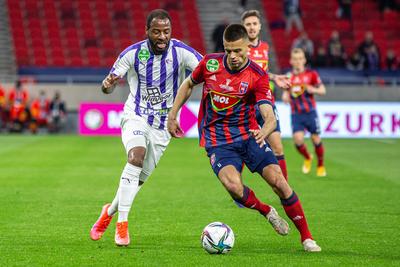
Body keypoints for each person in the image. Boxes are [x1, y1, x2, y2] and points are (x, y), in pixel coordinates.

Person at [168, 24, 321, 252]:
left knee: (279, 182)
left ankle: (307, 238)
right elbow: (189, 83)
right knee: (233, 187)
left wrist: (265, 131)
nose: (233, 56)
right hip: (218, 140)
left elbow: (269, 115)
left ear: (248, 47)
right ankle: (266, 211)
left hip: (250, 136)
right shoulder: (210, 63)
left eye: (237, 51)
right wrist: (173, 113)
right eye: (228, 50)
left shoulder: (257, 76)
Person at [89, 9, 202, 247]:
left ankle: (108, 212)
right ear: (147, 31)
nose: (162, 36)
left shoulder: (181, 51)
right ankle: (122, 225)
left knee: (136, 180)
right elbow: (107, 87)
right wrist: (107, 84)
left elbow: (206, 69)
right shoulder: (132, 53)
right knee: (135, 157)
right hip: (136, 116)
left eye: (166, 31)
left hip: (163, 128)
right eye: (157, 31)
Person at [241, 10, 291, 180]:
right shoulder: (240, 48)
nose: (252, 27)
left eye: (254, 23)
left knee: (277, 147)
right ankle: (238, 191)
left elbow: (262, 72)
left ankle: (285, 188)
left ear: (260, 26)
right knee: (240, 147)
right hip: (247, 104)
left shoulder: (265, 47)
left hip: (266, 101)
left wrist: (275, 77)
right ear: (243, 27)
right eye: (248, 24)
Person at [282, 48, 327, 177]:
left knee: (316, 139)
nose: (298, 61)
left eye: (300, 59)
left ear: (304, 60)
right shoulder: (289, 76)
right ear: (291, 61)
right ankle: (308, 157)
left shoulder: (312, 74)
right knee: (298, 141)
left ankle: (320, 165)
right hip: (296, 114)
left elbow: (323, 90)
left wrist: (313, 89)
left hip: (310, 112)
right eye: (295, 59)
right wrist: (285, 96)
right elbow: (286, 92)